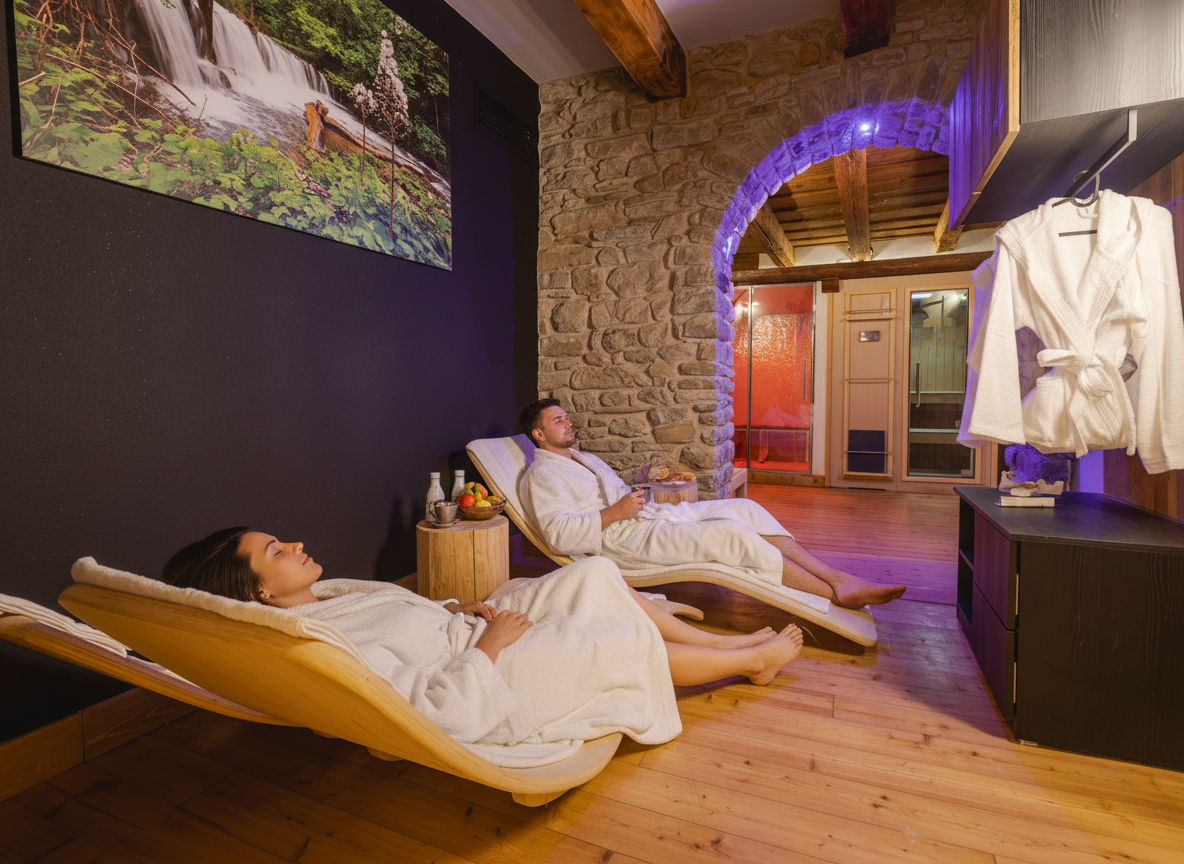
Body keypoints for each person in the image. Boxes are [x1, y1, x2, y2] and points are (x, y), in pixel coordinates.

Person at [161, 527, 804, 764]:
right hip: (492, 680)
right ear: (259, 592)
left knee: (593, 574)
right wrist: (489, 647)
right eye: (277, 551)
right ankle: (752, 661)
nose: (297, 545)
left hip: (472, 634)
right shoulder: (320, 640)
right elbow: (436, 713)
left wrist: (457, 612)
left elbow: (407, 622)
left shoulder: (329, 597)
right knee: (605, 641)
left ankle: (725, 641)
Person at [518, 398, 906, 609]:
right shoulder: (542, 476)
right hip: (619, 540)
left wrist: (633, 495)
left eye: (566, 418)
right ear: (539, 434)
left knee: (744, 509)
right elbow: (559, 536)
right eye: (558, 421)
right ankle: (832, 596)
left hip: (645, 518)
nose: (569, 423)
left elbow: (610, 491)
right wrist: (616, 512)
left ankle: (839, 578)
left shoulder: (582, 458)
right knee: (729, 534)